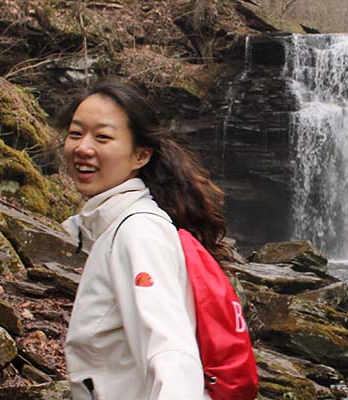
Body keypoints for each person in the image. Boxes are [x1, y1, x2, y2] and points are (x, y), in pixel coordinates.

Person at [56, 79, 230, 400]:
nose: (82, 147)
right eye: (76, 133)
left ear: (141, 155)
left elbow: (171, 354)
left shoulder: (138, 232)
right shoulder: (116, 227)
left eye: (103, 137)